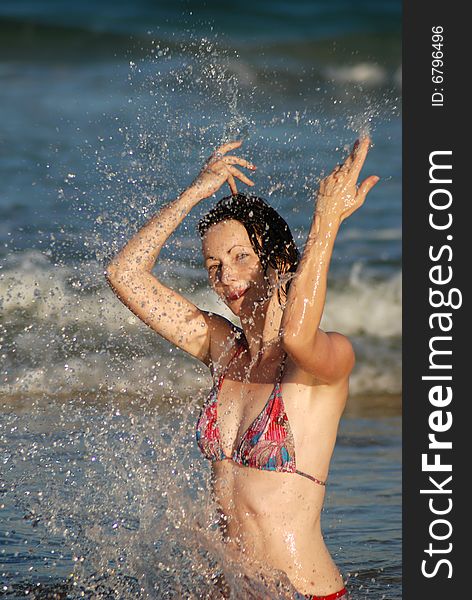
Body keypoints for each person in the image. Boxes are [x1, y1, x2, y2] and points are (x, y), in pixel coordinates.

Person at [105, 138, 379, 599]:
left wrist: (325, 222)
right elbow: (123, 274)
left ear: (278, 261)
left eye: (240, 258)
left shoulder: (322, 362)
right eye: (213, 266)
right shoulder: (222, 349)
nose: (226, 276)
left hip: (302, 592)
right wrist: (195, 191)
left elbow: (294, 333)